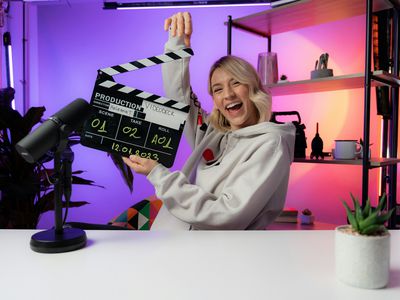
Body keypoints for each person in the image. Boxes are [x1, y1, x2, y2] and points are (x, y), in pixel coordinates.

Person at [123, 12, 295, 230]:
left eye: (236, 83)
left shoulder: (270, 144)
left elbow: (227, 215)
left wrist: (158, 175)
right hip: (168, 246)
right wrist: (178, 45)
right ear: (214, 98)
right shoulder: (210, 133)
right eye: (218, 89)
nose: (228, 95)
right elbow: (180, 97)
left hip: (213, 257)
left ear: (252, 87)